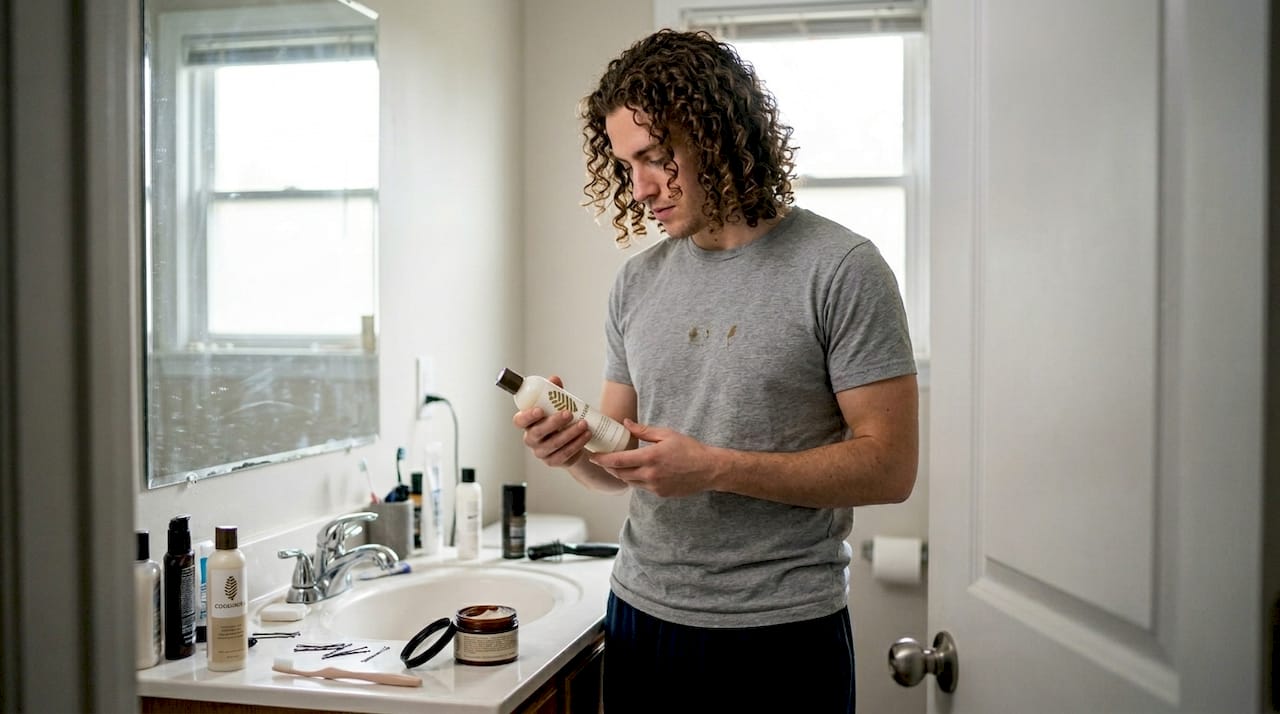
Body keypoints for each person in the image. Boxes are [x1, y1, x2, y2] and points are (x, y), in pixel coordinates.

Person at [511, 29, 918, 713]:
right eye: (625, 164)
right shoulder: (636, 284)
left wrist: (719, 467)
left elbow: (890, 467)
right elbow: (624, 456)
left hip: (784, 635)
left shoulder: (841, 268)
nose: (639, 188)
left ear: (719, 134)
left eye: (656, 157)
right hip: (642, 620)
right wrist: (571, 450)